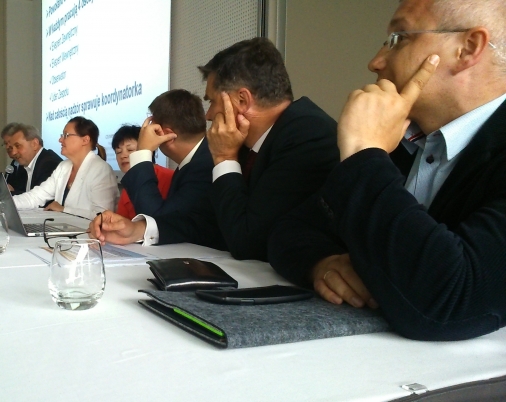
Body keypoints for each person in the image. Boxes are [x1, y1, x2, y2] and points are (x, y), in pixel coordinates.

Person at [267, 0, 506, 341]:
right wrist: (323, 263)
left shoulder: (377, 147)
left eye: (399, 38)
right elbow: (291, 229)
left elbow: (450, 300)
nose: (375, 61)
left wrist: (364, 152)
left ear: (467, 49)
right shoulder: (405, 141)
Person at [90, 37, 339, 261]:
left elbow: (246, 241)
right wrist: (138, 230)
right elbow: (208, 222)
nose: (208, 115)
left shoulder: (307, 134)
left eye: (211, 101)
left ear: (242, 100)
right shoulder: (250, 143)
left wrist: (225, 157)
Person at [121, 89, 213, 217]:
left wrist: (142, 152)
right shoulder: (196, 161)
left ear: (168, 135)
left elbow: (159, 220)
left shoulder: (204, 169)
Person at [12, 116, 119, 219]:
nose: (60, 140)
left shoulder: (101, 170)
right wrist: (5, 203)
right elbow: (36, 196)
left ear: (85, 140)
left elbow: (102, 216)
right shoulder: (63, 166)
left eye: (66, 135)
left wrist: (64, 210)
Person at [0, 123, 62, 196]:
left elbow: (35, 199)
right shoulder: (28, 163)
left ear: (34, 144)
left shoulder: (49, 164)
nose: (14, 152)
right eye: (11, 147)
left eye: (18, 146)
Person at [112, 125, 174, 219]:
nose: (123, 156)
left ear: (148, 151)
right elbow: (121, 220)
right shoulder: (128, 186)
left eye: (130, 150)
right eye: (118, 152)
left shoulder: (170, 178)